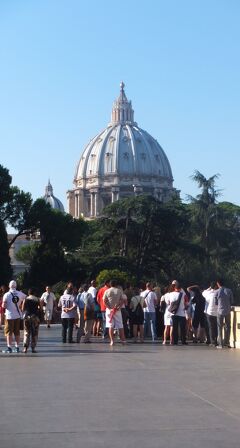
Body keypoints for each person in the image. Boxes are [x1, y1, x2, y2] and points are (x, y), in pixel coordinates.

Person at [2, 280, 26, 353]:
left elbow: (4, 305)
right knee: (17, 332)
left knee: (9, 332)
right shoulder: (20, 293)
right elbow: (26, 298)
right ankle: (17, 347)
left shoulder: (6, 294)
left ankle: (9, 348)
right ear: (16, 286)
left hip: (9, 316)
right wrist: (22, 306)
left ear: (9, 286)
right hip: (18, 315)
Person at [103, 279, 126, 346]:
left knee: (111, 326)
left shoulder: (107, 291)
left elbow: (104, 301)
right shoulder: (119, 291)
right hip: (117, 310)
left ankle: (112, 341)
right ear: (116, 285)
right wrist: (119, 306)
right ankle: (123, 340)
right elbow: (122, 300)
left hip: (109, 310)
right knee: (120, 325)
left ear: (110, 284)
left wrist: (109, 308)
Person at [167, 281, 188, 345]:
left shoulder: (170, 294)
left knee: (175, 328)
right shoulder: (183, 294)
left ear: (174, 288)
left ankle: (175, 341)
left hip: (173, 313)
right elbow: (186, 303)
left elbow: (168, 303)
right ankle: (183, 341)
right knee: (182, 328)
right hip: (182, 314)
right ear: (180, 288)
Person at [22, 288, 42, 353]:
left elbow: (22, 308)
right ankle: (33, 348)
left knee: (26, 333)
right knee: (35, 333)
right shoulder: (38, 299)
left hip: (27, 317)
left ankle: (25, 348)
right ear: (34, 293)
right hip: (35, 317)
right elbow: (41, 309)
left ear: (28, 293)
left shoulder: (26, 299)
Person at [215, 279, 234, 348]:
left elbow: (215, 302)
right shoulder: (229, 290)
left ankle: (220, 344)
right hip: (228, 311)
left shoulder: (216, 292)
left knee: (219, 327)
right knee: (228, 326)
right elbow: (232, 301)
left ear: (218, 284)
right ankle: (227, 342)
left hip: (220, 311)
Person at [202, 282, 218, 346]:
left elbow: (203, 292)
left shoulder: (208, 293)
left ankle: (212, 341)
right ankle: (216, 340)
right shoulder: (218, 292)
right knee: (216, 327)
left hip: (209, 312)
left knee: (210, 327)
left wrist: (209, 288)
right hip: (217, 313)